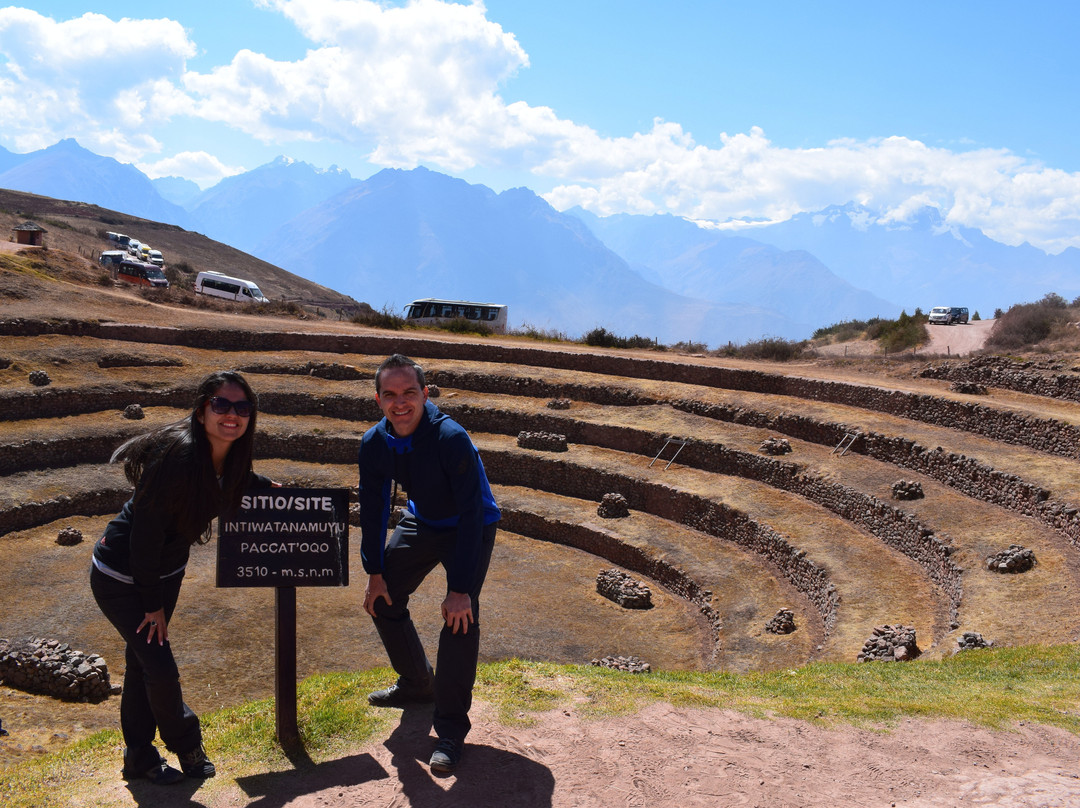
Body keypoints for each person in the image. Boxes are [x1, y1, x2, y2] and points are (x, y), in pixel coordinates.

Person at [90, 370, 272, 786]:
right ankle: (186, 743)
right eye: (221, 405)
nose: (232, 415)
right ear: (202, 409)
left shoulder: (229, 456)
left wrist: (268, 487)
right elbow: (144, 536)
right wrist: (152, 603)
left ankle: (139, 756)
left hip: (164, 573)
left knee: (142, 666)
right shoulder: (176, 458)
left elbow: (233, 482)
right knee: (160, 667)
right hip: (122, 576)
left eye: (242, 408)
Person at [359, 354, 500, 774]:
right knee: (382, 600)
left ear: (424, 393)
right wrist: (374, 572)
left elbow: (474, 511)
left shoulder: (450, 438)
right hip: (421, 521)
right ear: (378, 399)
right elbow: (372, 506)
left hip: (470, 525)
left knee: (460, 618)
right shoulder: (374, 442)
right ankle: (418, 684)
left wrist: (460, 590)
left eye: (408, 393)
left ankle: (451, 730)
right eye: (389, 395)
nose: (399, 403)